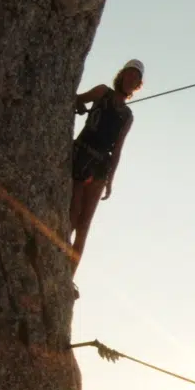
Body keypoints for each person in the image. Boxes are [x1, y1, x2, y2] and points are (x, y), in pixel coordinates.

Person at [68, 59, 143, 267]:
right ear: (121, 76)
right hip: (82, 155)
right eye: (129, 74)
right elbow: (77, 99)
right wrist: (82, 106)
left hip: (100, 165)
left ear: (137, 85)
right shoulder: (102, 92)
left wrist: (110, 180)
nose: (131, 79)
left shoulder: (127, 116)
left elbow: (117, 149)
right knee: (73, 213)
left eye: (135, 78)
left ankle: (68, 276)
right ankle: (60, 258)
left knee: (84, 225)